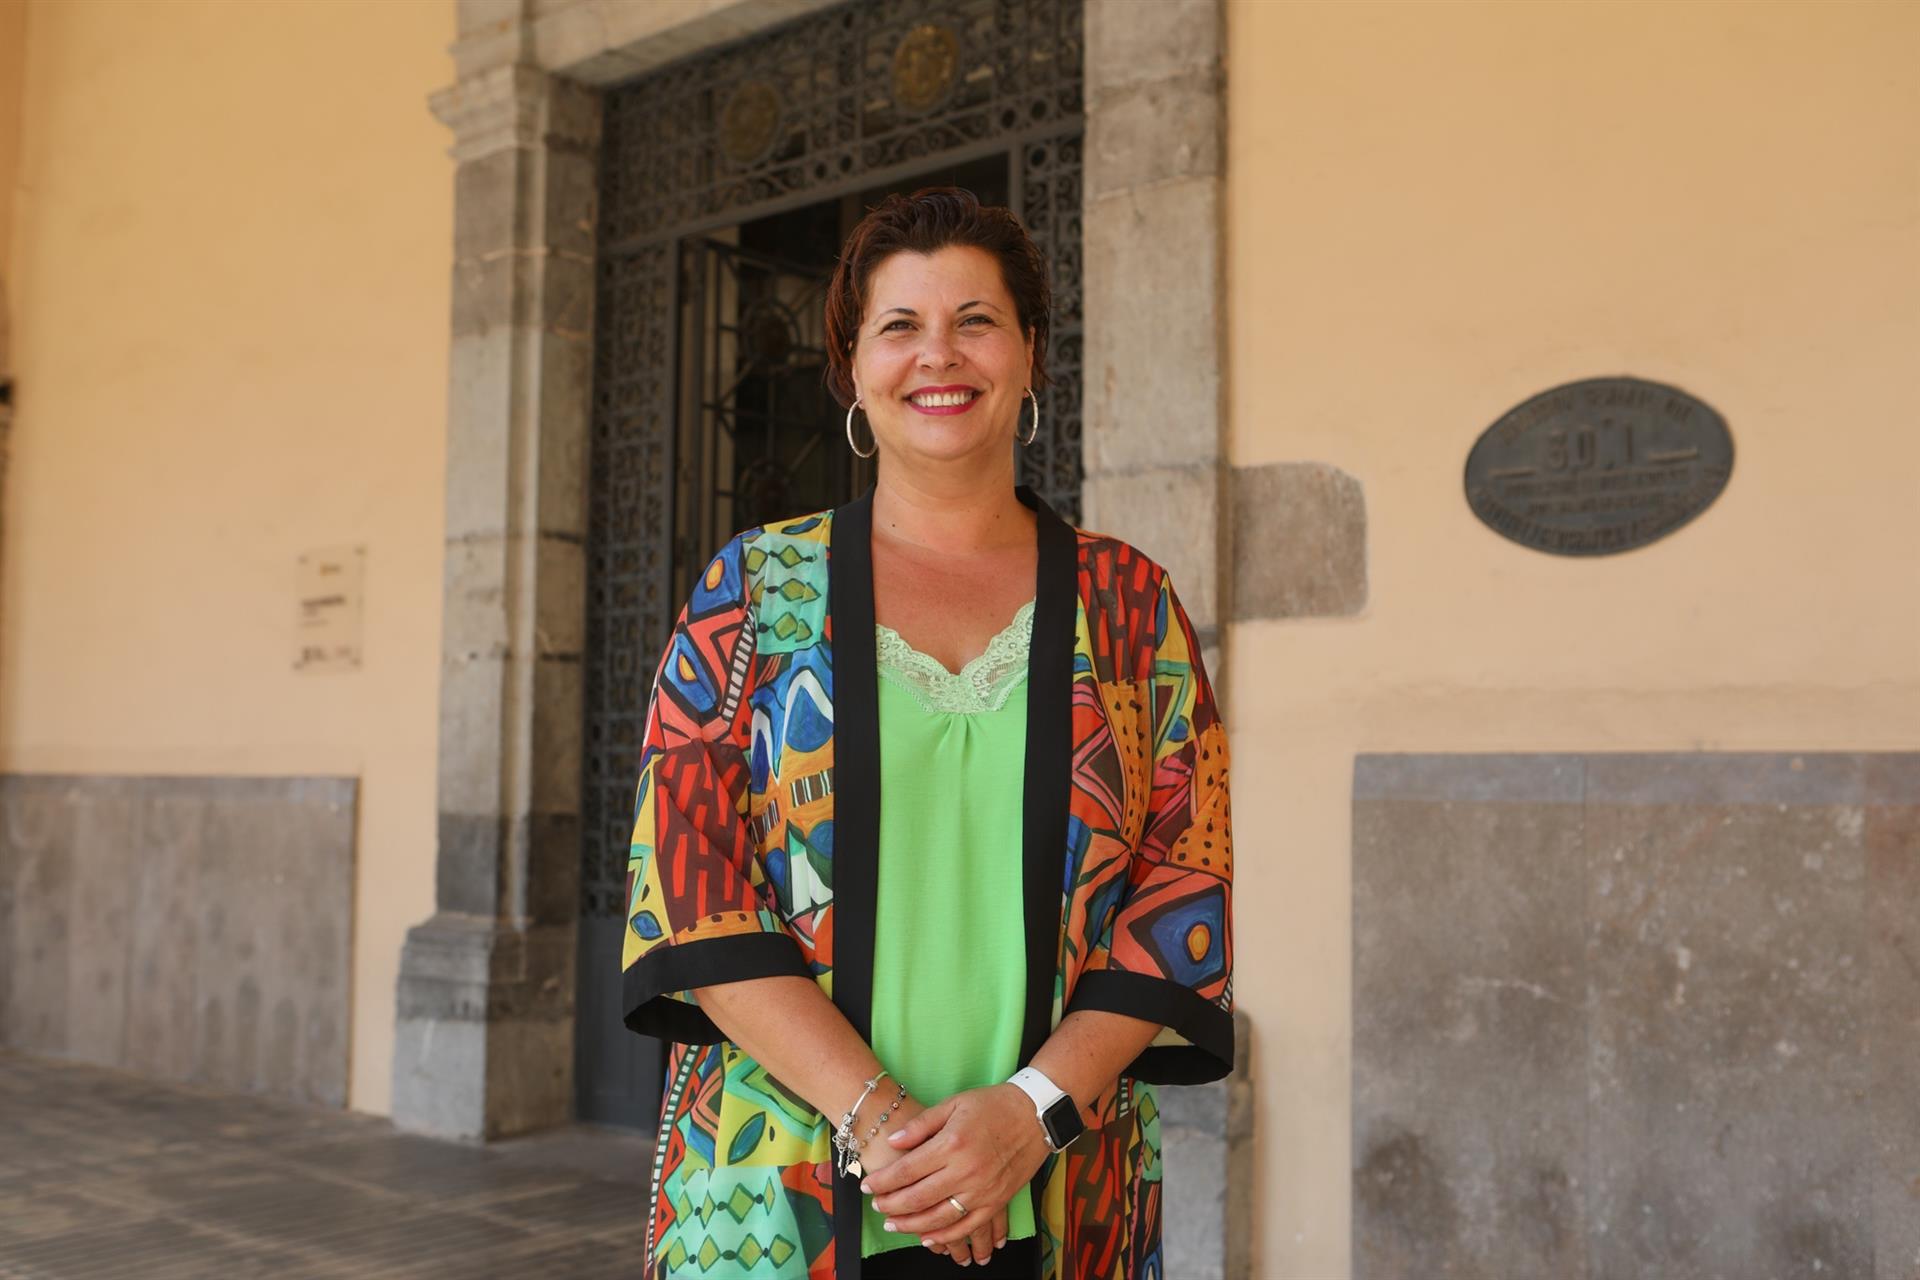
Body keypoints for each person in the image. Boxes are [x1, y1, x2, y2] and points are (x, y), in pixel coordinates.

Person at [621, 186, 1234, 1280]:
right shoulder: (755, 594)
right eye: (899, 325)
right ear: (852, 367)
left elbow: (1179, 881)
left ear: (1031, 352)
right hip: (782, 1190)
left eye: (977, 320)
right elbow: (690, 887)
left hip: (1061, 1182)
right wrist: (889, 1127)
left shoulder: (1131, 605)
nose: (937, 355)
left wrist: (1024, 1116)